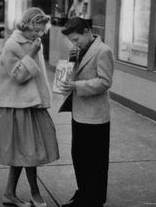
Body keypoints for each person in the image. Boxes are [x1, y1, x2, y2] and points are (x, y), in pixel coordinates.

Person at [0, 7, 59, 207]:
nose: (38, 34)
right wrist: (32, 54)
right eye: (35, 29)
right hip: (16, 106)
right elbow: (18, 76)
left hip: (32, 105)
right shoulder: (12, 45)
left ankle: (9, 193)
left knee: (24, 151)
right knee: (29, 152)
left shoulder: (33, 43)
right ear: (26, 24)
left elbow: (38, 77)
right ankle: (35, 194)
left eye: (41, 30)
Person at [59, 17, 114, 207]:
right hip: (79, 113)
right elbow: (72, 75)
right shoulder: (79, 51)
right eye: (72, 41)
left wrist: (77, 86)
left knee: (95, 161)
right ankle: (83, 192)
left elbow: (105, 82)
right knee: (79, 156)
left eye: (76, 39)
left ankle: (95, 198)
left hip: (96, 116)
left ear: (86, 31)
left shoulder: (103, 51)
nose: (74, 43)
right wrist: (71, 61)